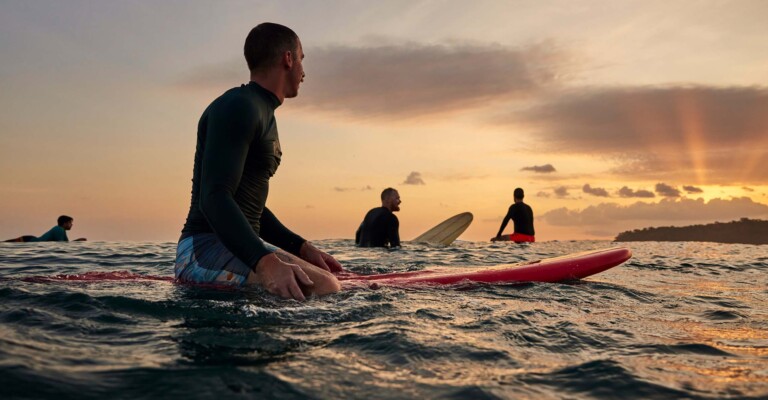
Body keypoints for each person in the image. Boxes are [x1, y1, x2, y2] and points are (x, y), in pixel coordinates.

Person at [176, 23, 342, 301]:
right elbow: (214, 197)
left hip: (236, 248)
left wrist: (301, 247)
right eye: (302, 59)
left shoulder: (262, 112)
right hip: (201, 250)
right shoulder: (239, 106)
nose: (304, 71)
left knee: (329, 279)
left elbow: (249, 208)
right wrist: (265, 263)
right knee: (325, 288)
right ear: (288, 59)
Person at [4, 215, 87, 242]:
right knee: (4, 245)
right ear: (65, 223)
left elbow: (66, 244)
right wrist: (77, 241)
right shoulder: (59, 229)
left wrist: (77, 241)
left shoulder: (62, 230)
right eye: (70, 223)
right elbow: (62, 245)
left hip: (30, 240)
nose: (71, 225)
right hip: (28, 240)